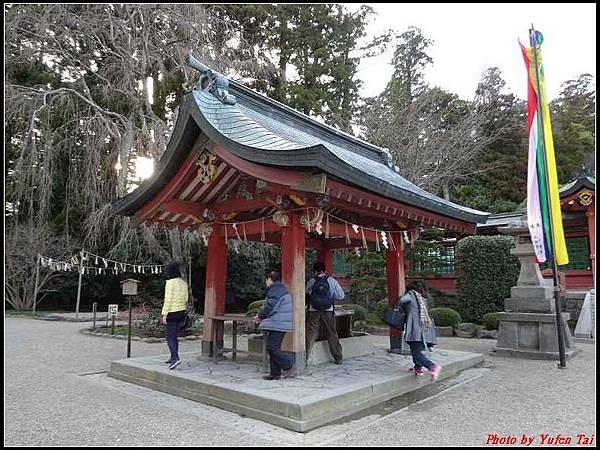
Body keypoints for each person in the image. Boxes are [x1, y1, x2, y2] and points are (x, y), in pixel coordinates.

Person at [253, 271, 295, 380]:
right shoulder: (280, 289)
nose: (266, 282)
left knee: (272, 347)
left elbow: (270, 306)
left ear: (269, 279)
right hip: (278, 323)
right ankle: (275, 374)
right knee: (273, 348)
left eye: (266, 280)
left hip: (278, 323)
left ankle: (289, 366)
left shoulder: (275, 290)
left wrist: (260, 316)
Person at [399, 280, 441, 381]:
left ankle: (432, 366)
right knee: (416, 349)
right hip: (426, 328)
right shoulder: (423, 298)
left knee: (416, 352)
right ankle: (417, 368)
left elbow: (401, 301)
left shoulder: (410, 295)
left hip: (415, 329)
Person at [305, 262, 344, 365]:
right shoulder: (331, 281)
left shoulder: (312, 281)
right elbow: (341, 295)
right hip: (328, 310)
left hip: (313, 310)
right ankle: (338, 357)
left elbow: (306, 293)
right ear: (324, 270)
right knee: (332, 333)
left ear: (315, 271)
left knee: (310, 334)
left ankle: (305, 357)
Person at [161, 261, 189, 370]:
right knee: (174, 335)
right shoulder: (183, 283)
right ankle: (172, 356)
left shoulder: (170, 283)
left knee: (170, 337)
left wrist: (164, 314)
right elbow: (186, 298)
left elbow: (167, 300)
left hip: (171, 313)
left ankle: (175, 358)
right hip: (181, 311)